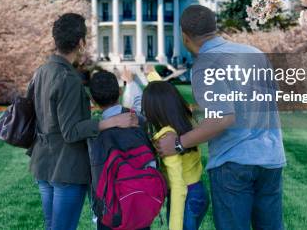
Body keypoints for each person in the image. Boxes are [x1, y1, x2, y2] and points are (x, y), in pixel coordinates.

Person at [156, 5, 286, 230]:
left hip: (233, 163)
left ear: (184, 36)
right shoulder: (254, 53)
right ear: (215, 29)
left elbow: (223, 119)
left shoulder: (204, 66)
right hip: (271, 158)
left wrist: (177, 144)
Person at [29, 13, 138, 230]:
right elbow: (70, 131)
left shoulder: (42, 71)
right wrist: (110, 121)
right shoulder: (67, 78)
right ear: (81, 43)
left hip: (43, 163)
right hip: (66, 167)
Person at [87, 70, 163, 230]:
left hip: (112, 214)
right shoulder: (139, 123)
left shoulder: (95, 136)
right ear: (120, 92)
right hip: (141, 206)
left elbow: (96, 179)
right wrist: (132, 82)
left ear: (93, 100)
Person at [142, 81, 209, 230]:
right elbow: (164, 93)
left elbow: (178, 186)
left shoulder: (166, 138)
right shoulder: (187, 122)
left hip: (185, 197)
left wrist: (175, 227)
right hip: (198, 191)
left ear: (153, 109)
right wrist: (151, 74)